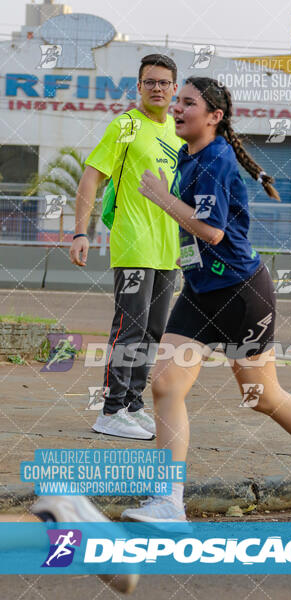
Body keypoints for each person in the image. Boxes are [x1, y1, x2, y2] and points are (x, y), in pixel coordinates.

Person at [118, 76, 291, 522]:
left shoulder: (216, 160)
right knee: (166, 385)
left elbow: (211, 230)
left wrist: (159, 196)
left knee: (261, 395)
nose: (176, 108)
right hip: (199, 291)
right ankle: (168, 501)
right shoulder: (188, 156)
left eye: (187, 103)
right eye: (176, 101)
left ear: (214, 116)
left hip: (240, 293)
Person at [69, 53, 183, 440]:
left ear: (174, 88)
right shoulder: (126, 126)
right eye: (149, 82)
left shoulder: (175, 131)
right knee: (129, 328)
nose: (157, 88)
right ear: (138, 87)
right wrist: (80, 232)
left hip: (169, 248)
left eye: (164, 82)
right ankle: (111, 410)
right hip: (134, 242)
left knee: (153, 331)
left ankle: (133, 404)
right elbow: (91, 178)